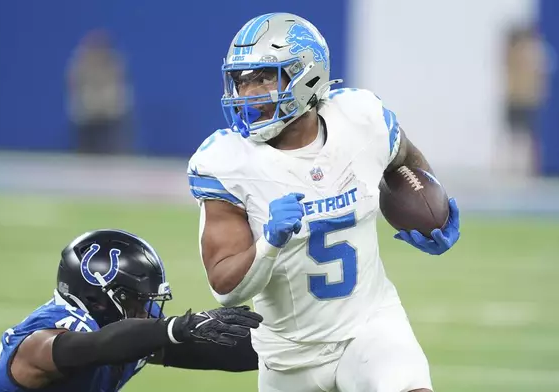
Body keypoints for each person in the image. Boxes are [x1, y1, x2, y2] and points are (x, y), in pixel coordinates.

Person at [187, 12, 461, 392]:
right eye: (242, 80)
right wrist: (269, 244)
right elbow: (225, 287)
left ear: (307, 75)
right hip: (289, 355)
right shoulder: (227, 162)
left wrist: (433, 209)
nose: (248, 94)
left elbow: (405, 158)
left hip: (371, 328)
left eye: (265, 77)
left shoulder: (361, 119)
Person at [0, 229, 262, 391]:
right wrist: (174, 328)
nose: (146, 311)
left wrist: (296, 351)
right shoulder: (41, 342)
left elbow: (213, 353)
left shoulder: (128, 328)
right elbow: (93, 347)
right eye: (134, 301)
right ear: (98, 298)